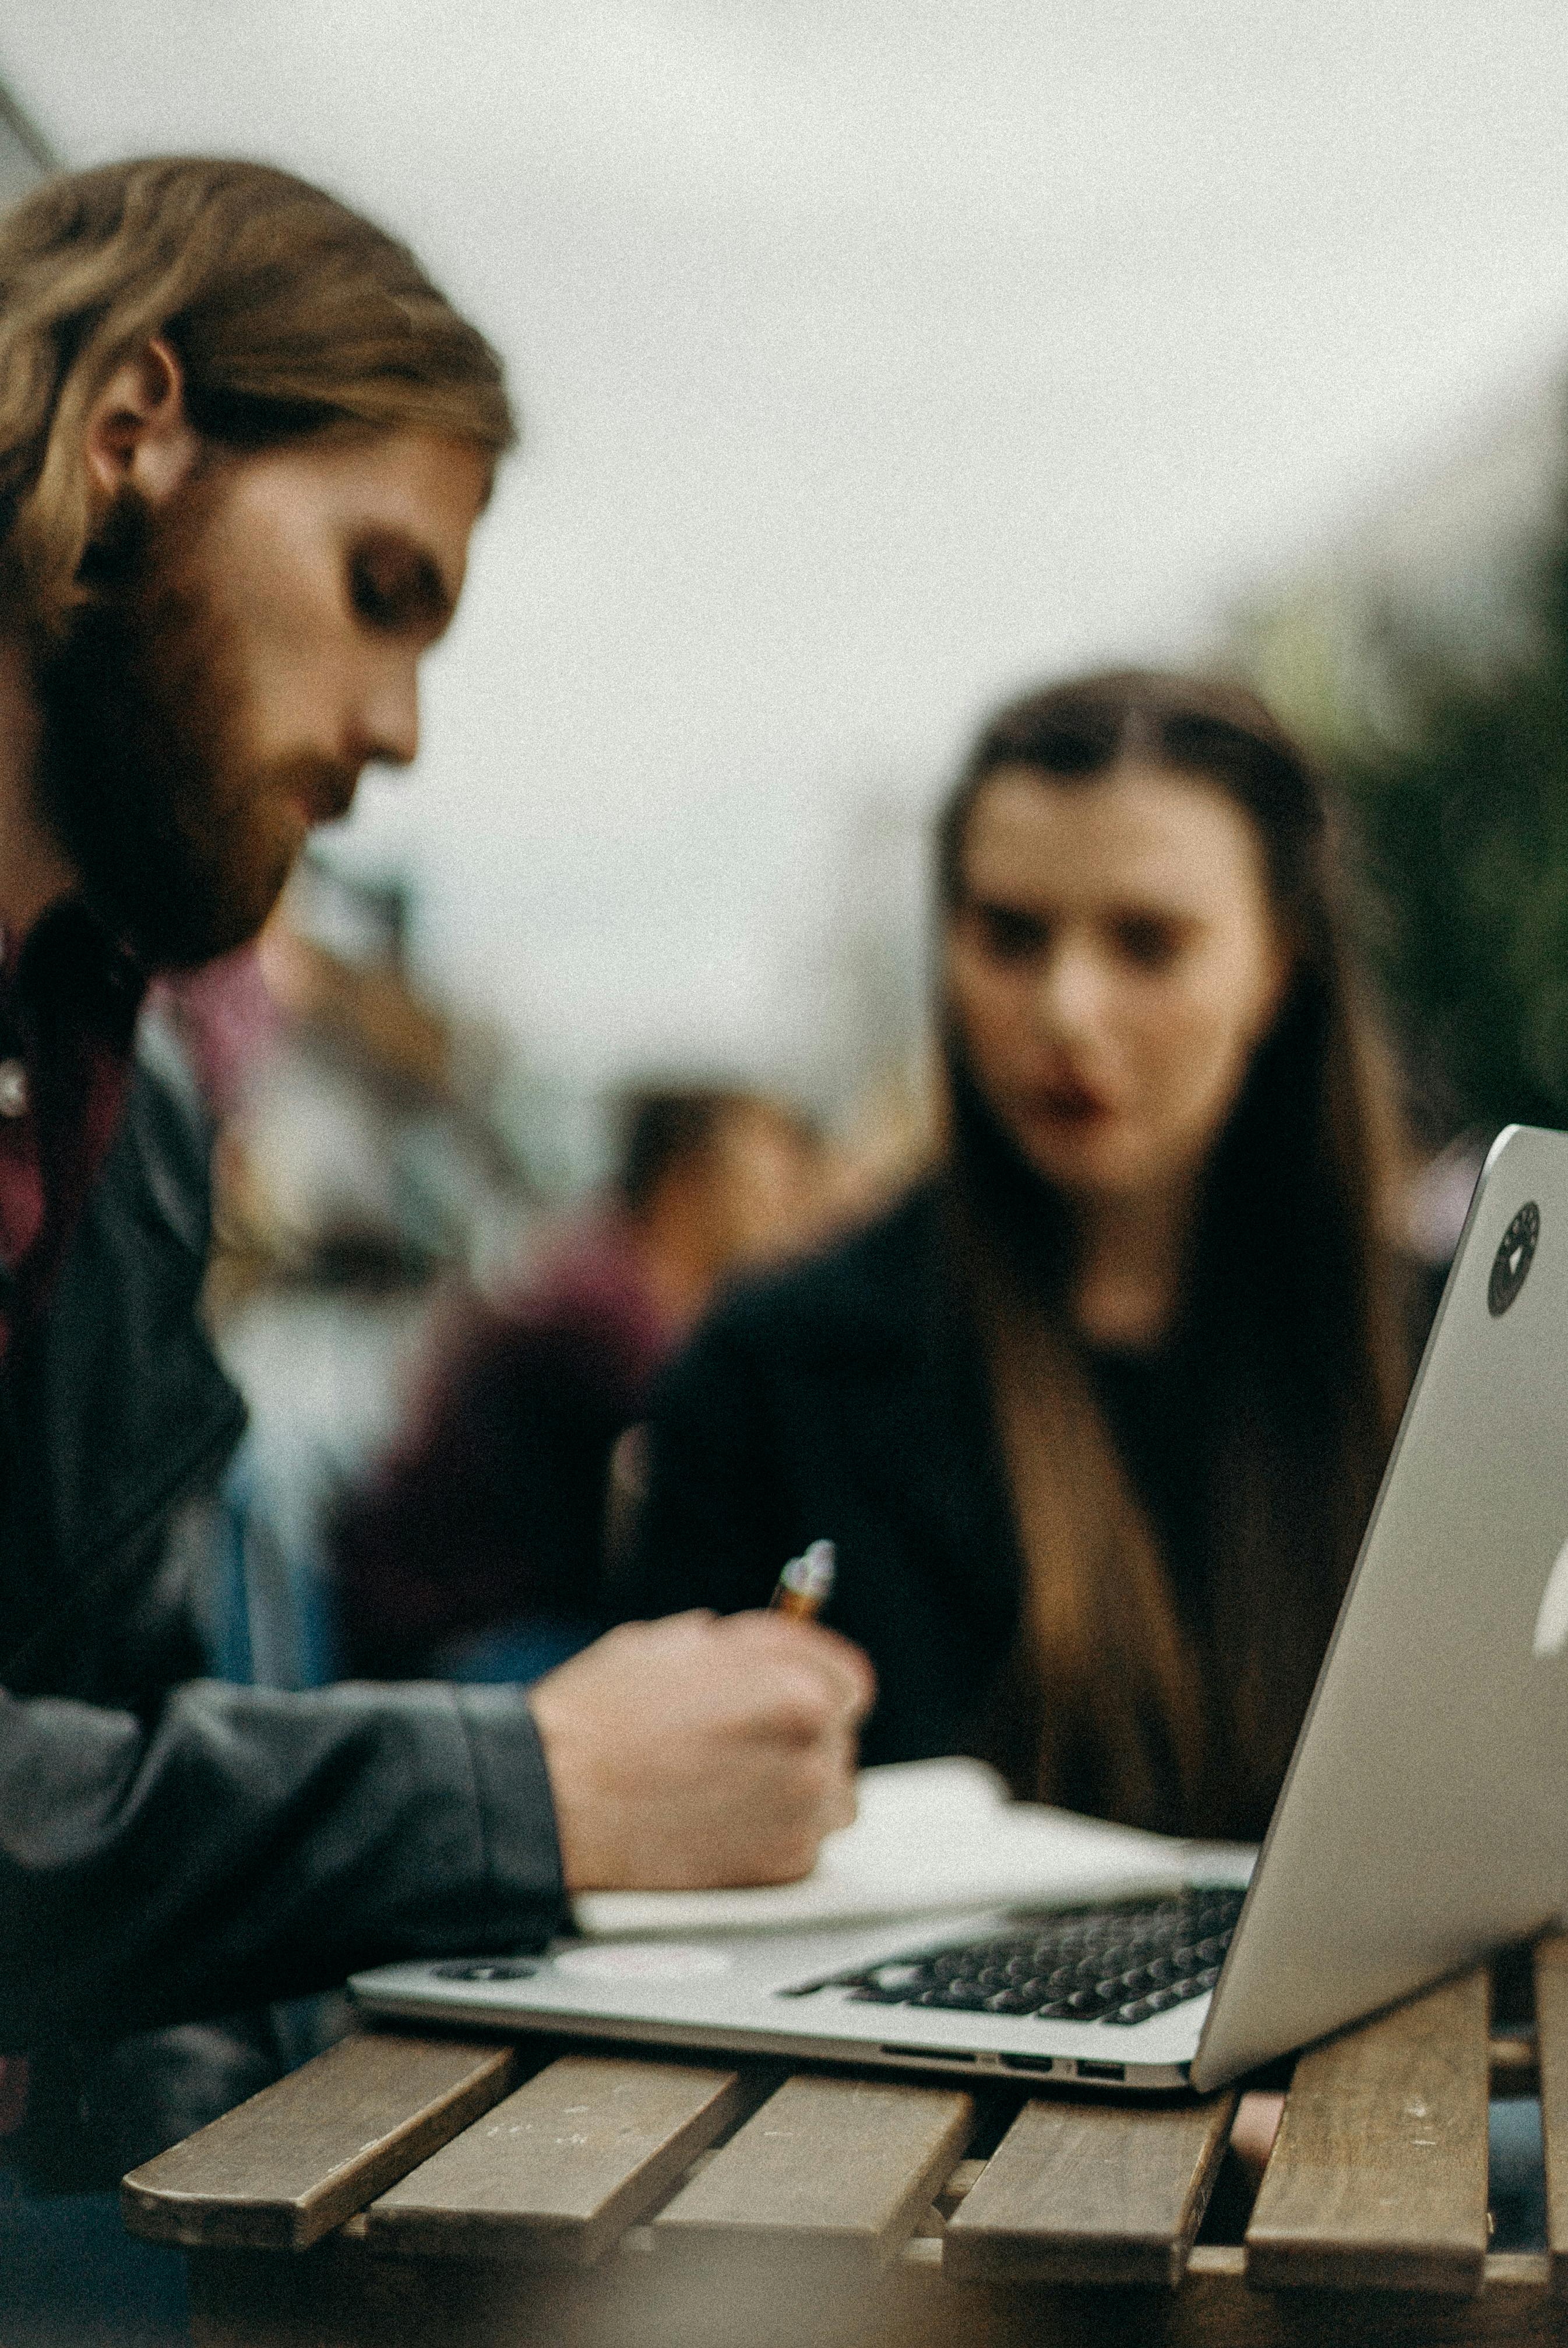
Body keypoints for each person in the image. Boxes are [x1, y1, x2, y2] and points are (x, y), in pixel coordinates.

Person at [0, 156, 871, 2192]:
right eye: (382, 588)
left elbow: (112, 1806)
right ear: (131, 430)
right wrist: (530, 1779)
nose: (395, 730)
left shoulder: (121, 1118)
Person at [627, 668, 1418, 1846]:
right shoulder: (775, 1371)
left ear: (1275, 969)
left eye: (1146, 943)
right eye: (1008, 935)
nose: (1065, 1008)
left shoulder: (1439, 1359)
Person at [332, 1083, 834, 1681]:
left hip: (478, 1623)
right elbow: (732, 1455)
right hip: (467, 1645)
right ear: (689, 1177)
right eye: (768, 1163)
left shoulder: (614, 1270)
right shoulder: (610, 1306)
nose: (791, 1193)